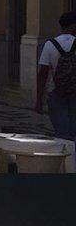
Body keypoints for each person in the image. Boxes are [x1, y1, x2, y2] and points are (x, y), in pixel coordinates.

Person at [36, 11, 76, 141]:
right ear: (73, 26)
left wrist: (39, 99)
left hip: (56, 92)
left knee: (61, 134)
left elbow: (43, 73)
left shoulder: (50, 44)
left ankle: (65, 158)